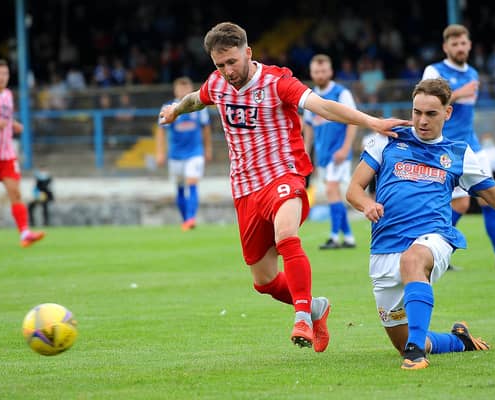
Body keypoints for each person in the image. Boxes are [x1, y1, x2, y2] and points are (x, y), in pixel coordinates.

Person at [159, 22, 411, 351]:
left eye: (232, 62)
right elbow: (196, 97)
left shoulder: (277, 81)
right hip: (245, 188)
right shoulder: (217, 84)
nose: (227, 71)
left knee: (286, 234)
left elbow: (323, 106)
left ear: (247, 52)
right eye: (219, 65)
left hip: (283, 174)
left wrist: (372, 121)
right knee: (263, 281)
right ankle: (317, 307)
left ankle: (303, 317)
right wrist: (176, 110)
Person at [346, 78, 495, 370]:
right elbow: (354, 189)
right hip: (384, 248)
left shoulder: (459, 154)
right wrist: (367, 204)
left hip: (432, 238)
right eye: (417, 112)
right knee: (404, 340)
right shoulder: (387, 139)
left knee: (412, 261)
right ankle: (457, 341)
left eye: (431, 114)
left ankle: (415, 356)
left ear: (448, 113)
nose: (422, 121)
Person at [422, 24, 495, 270]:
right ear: (446, 47)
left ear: (469, 45)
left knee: (491, 198)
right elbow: (427, 101)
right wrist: (458, 93)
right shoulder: (434, 70)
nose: (459, 48)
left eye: (463, 43)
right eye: (454, 44)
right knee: (460, 204)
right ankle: (435, 253)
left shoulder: (473, 73)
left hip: (474, 148)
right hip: (446, 148)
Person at [303, 54, 357, 250]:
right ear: (311, 73)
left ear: (330, 71)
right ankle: (349, 237)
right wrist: (306, 151)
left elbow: (352, 121)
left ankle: (334, 236)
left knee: (332, 191)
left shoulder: (341, 94)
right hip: (323, 155)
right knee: (332, 193)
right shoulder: (310, 98)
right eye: (316, 71)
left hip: (337, 153)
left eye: (323, 70)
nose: (320, 74)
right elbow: (308, 126)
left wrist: (345, 148)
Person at [0, 59, 45, 247]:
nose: (2, 77)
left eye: (5, 74)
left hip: (6, 154)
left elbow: (5, 116)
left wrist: (13, 124)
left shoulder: (7, 95)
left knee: (15, 192)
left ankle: (24, 233)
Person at [156, 76, 213, 231]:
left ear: (190, 89)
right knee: (180, 188)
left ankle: (191, 219)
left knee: (192, 183)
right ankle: (185, 219)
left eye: (186, 88)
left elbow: (206, 129)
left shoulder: (199, 109)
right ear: (175, 90)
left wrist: (208, 149)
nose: (183, 91)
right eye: (180, 88)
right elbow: (161, 131)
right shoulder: (168, 107)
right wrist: (160, 152)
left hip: (195, 153)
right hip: (175, 155)